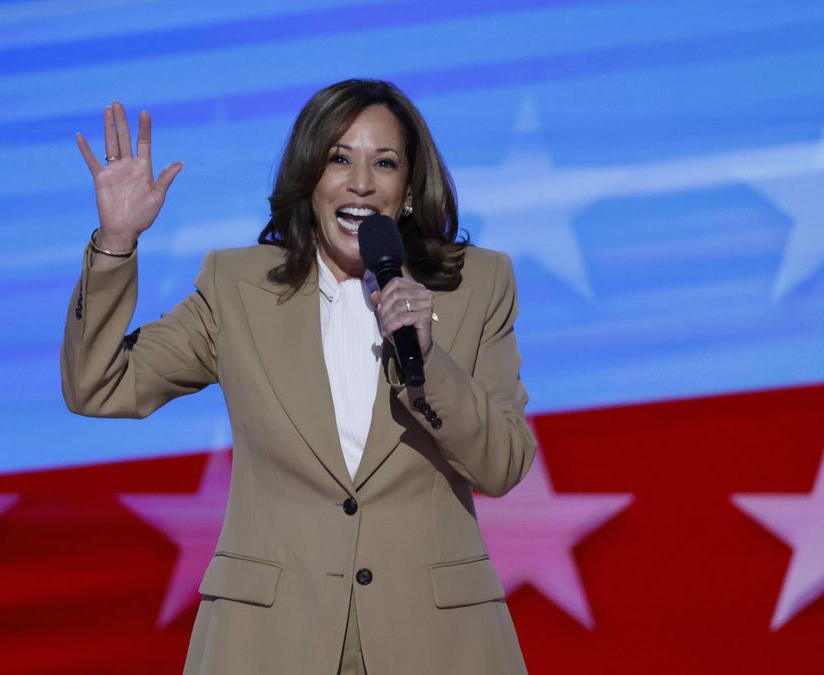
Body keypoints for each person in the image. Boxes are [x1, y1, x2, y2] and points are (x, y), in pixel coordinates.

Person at [62, 79, 536, 675]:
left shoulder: (478, 286)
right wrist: (116, 243)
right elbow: (97, 385)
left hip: (437, 642)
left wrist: (428, 358)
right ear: (311, 177)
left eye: (383, 163)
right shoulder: (237, 289)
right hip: (270, 641)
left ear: (409, 190)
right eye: (339, 158)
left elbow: (505, 464)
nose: (360, 182)